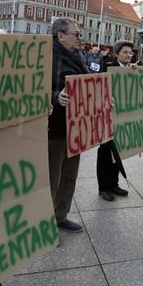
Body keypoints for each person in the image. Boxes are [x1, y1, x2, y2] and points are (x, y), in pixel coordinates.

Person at [49, 17, 87, 233]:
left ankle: (60, 216)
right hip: (54, 126)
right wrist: (55, 96)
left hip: (76, 125)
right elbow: (32, 86)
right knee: (52, 178)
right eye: (76, 34)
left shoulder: (76, 56)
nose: (79, 38)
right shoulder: (45, 56)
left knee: (69, 176)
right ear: (61, 35)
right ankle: (44, 222)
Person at [96, 40, 134, 201]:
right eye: (125, 52)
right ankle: (103, 187)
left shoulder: (132, 69)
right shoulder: (108, 67)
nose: (129, 55)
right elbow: (99, 87)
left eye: (131, 52)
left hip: (123, 117)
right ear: (117, 53)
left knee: (118, 151)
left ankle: (114, 184)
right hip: (107, 116)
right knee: (105, 151)